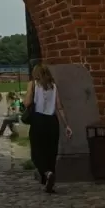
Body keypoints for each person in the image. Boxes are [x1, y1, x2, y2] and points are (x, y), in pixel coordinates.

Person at [26, 63, 72, 193]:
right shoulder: (53, 86)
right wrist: (67, 125)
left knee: (37, 152)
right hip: (52, 121)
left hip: (38, 120)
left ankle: (47, 173)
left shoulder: (33, 84)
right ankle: (49, 178)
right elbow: (59, 107)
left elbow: (27, 102)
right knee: (51, 152)